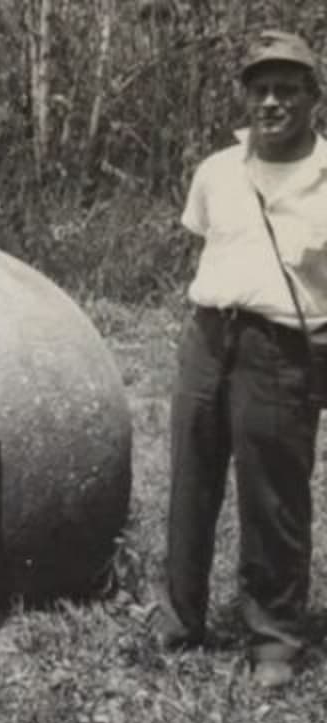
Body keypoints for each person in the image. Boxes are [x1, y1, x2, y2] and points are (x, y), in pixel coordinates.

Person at [152, 30, 327, 688]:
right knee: (191, 481)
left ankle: (276, 639)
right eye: (261, 88)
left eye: (287, 88)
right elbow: (202, 243)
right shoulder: (216, 171)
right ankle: (178, 616)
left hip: (282, 349)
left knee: (274, 495)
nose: (272, 101)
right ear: (246, 97)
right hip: (207, 337)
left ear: (314, 96)